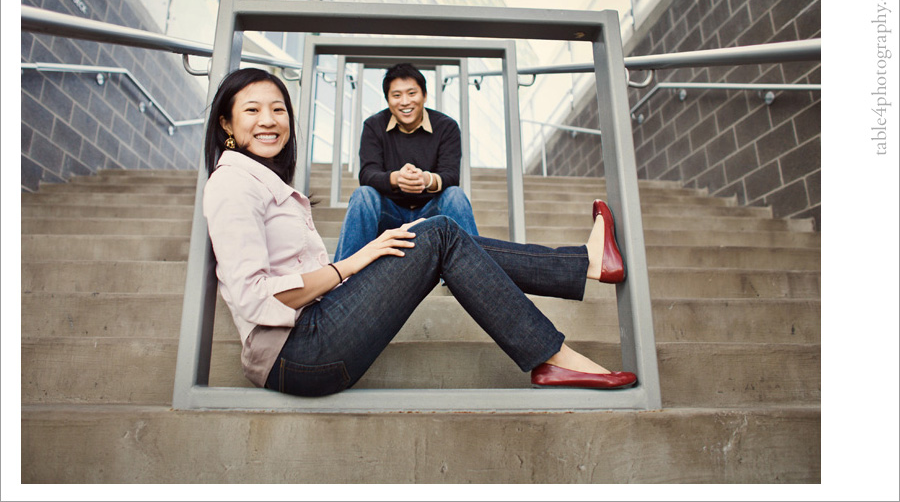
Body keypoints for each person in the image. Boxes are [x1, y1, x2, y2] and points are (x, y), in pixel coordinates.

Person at [203, 68, 635, 398]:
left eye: (279, 109)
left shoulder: (260, 180)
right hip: (296, 353)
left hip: (317, 330)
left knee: (442, 226)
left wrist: (423, 189)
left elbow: (449, 176)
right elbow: (254, 296)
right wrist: (348, 266)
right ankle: (574, 298)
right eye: (253, 110)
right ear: (226, 125)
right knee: (437, 233)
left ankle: (582, 277)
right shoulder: (231, 184)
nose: (270, 120)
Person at [334, 63, 479, 261]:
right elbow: (367, 173)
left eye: (412, 93)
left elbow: (451, 174)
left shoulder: (447, 126)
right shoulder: (373, 125)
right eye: (396, 95)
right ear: (387, 99)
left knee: (455, 195)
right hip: (389, 214)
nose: (405, 102)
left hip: (431, 214)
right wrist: (396, 179)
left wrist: (426, 180)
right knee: (363, 194)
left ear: (424, 95)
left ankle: (473, 269)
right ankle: (345, 273)